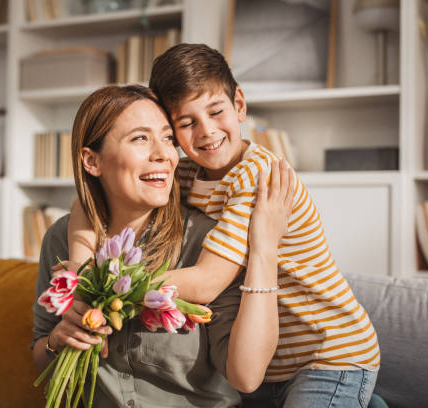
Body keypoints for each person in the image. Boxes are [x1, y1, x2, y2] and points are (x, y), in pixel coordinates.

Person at [68, 44, 381, 406]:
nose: (206, 132)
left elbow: (207, 282)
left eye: (216, 112)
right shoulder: (184, 172)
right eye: (186, 123)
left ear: (240, 105)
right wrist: (80, 270)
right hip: (269, 360)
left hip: (328, 353)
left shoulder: (256, 175)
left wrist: (111, 289)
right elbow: (87, 203)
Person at [31, 84, 295, 406]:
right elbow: (41, 350)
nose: (164, 154)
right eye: (140, 138)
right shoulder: (62, 238)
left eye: (169, 138)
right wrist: (57, 342)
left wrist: (264, 249)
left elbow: (247, 376)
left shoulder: (207, 243)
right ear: (92, 161)